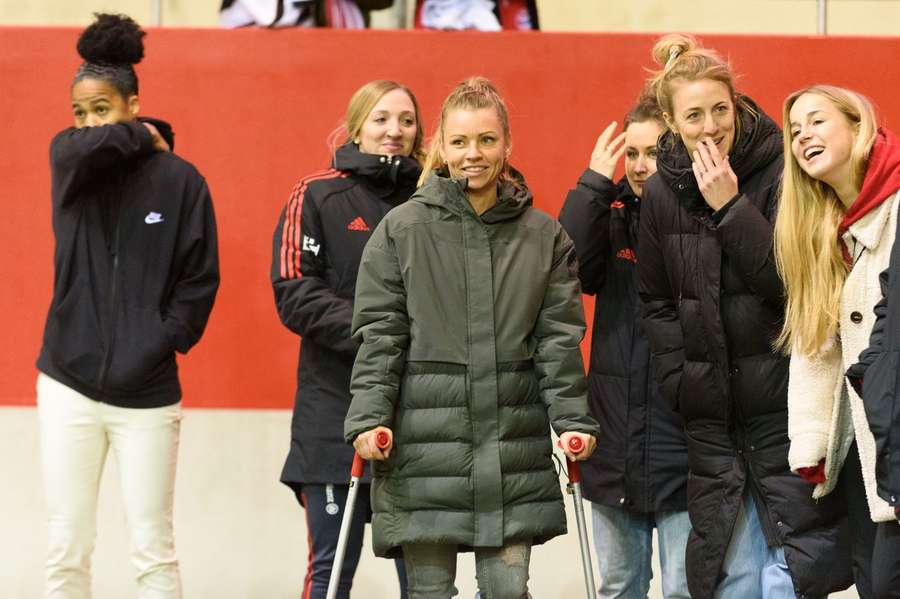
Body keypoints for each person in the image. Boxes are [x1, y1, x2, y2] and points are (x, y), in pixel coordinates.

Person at [344, 76, 599, 599]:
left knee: (507, 591)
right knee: (429, 592)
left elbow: (558, 340)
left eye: (486, 140)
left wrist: (572, 419)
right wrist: (369, 417)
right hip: (422, 450)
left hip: (511, 445)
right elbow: (381, 336)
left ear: (507, 145)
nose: (473, 154)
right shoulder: (401, 230)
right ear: (441, 146)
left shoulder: (543, 236)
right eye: (459, 141)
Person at [636, 34, 851, 599]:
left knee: (794, 568)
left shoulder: (783, 170)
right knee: (730, 571)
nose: (710, 127)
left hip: (782, 403)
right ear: (670, 120)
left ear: (738, 105)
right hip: (710, 415)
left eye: (720, 110)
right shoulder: (660, 193)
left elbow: (797, 287)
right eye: (693, 115)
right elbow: (656, 302)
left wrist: (732, 207)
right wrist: (681, 382)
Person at [36, 13, 219, 598]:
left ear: (133, 102)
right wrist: (140, 133)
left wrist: (160, 340)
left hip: (147, 393)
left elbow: (199, 280)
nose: (88, 123)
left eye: (103, 108)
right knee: (67, 545)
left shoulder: (181, 182)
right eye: (79, 112)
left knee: (152, 549)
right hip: (68, 383)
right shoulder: (70, 166)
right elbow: (85, 146)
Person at [271, 79, 423, 599]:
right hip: (332, 415)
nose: (394, 131)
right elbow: (294, 293)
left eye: (406, 120)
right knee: (330, 573)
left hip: (421, 419)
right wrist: (380, 334)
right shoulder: (316, 193)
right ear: (357, 125)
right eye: (381, 118)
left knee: (424, 579)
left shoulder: (435, 197)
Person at [559, 93, 690, 599]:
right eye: (630, 154)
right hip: (613, 440)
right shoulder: (608, 213)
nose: (638, 166)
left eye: (652, 152)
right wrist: (592, 183)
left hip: (682, 448)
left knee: (683, 589)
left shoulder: (699, 219)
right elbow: (565, 272)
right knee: (618, 587)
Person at [775, 85, 900, 599]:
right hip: (861, 454)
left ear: (857, 123)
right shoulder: (822, 230)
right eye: (796, 130)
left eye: (818, 121)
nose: (804, 135)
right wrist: (810, 441)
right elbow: (814, 346)